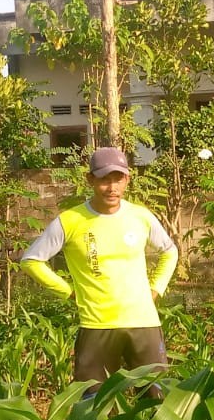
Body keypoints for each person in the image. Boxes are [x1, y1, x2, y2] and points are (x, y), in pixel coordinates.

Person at [21, 147, 179, 388]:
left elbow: (170, 251)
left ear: (127, 179)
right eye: (104, 179)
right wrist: (68, 291)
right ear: (90, 179)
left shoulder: (141, 216)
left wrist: (156, 289)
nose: (112, 187)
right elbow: (31, 260)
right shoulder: (70, 221)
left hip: (144, 323)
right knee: (93, 404)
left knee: (156, 400)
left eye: (118, 179)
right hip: (96, 326)